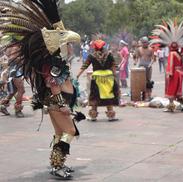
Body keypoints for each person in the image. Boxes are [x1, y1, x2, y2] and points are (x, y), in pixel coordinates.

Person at [0, 1, 85, 179]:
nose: (69, 45)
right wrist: (63, 105)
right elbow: (53, 84)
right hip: (57, 102)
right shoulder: (52, 64)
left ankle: (57, 164)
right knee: (69, 132)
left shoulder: (54, 59)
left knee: (60, 133)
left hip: (55, 101)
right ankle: (57, 165)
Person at [151, 20, 183, 112]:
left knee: (171, 91)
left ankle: (171, 107)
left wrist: (169, 73)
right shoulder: (179, 54)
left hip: (174, 74)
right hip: (180, 73)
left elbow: (170, 65)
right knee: (177, 91)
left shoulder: (172, 54)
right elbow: (180, 65)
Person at [76, 39, 119, 121]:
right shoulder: (109, 54)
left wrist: (78, 75)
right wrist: (115, 76)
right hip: (108, 78)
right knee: (108, 96)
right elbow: (114, 65)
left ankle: (93, 115)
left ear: (94, 47)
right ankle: (111, 114)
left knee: (95, 97)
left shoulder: (92, 55)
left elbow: (84, 66)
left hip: (97, 78)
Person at [0, 41, 25, 117]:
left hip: (12, 70)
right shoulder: (16, 47)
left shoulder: (11, 46)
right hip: (14, 71)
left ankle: (2, 106)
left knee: (13, 91)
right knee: (21, 90)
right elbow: (11, 59)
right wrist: (23, 58)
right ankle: (18, 110)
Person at [133, 36, 156, 101]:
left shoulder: (151, 49)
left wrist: (150, 64)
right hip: (141, 67)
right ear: (142, 43)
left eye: (145, 42)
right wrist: (135, 62)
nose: (144, 44)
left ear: (147, 42)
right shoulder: (139, 49)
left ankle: (149, 95)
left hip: (148, 67)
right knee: (141, 81)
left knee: (148, 81)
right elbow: (137, 57)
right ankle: (143, 95)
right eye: (143, 42)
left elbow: (153, 59)